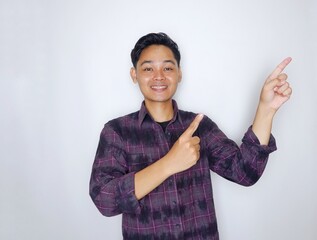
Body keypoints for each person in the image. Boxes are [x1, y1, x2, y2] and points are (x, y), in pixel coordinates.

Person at [89, 32, 292, 240]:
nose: (159, 76)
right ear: (134, 75)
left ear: (179, 74)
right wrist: (169, 164)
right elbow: (104, 200)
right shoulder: (117, 132)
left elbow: (245, 172)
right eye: (148, 68)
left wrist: (266, 109)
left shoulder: (199, 126)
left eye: (168, 68)